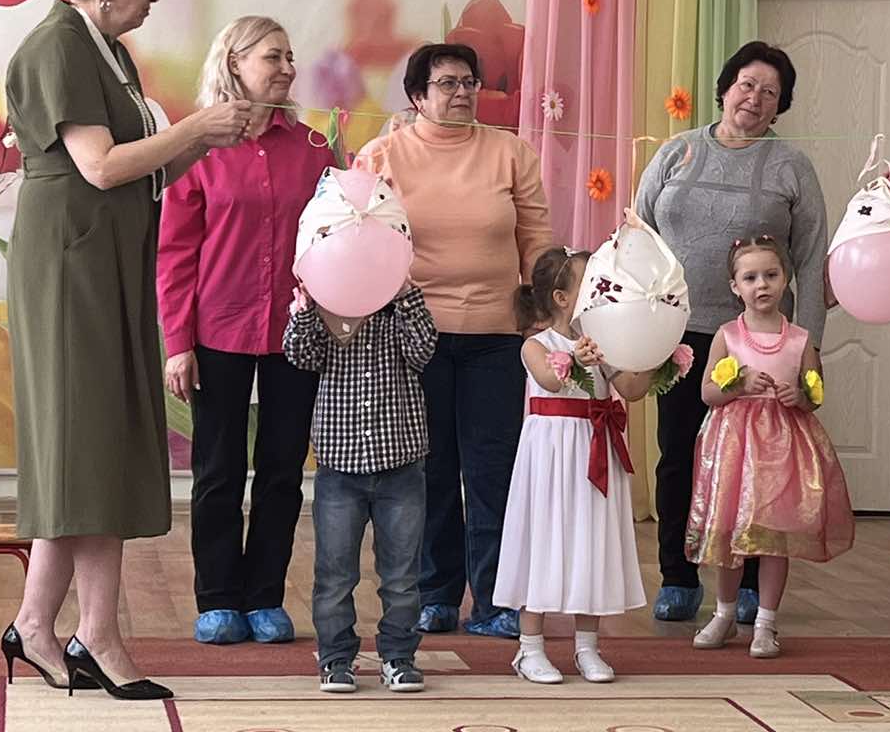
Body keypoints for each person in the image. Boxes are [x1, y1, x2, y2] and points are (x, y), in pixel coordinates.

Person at [0, 0, 251, 700]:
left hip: (103, 256)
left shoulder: (105, 48)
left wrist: (207, 139)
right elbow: (102, 167)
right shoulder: (58, 46)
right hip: (70, 263)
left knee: (94, 445)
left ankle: (47, 625)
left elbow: (144, 171)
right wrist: (195, 126)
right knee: (86, 440)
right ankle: (87, 633)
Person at [359, 43, 555, 638]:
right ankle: (435, 594)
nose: (463, 92)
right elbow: (359, 240)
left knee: (494, 471)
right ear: (417, 96)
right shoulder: (382, 155)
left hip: (497, 337)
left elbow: (537, 241)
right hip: (413, 337)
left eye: (469, 82)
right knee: (429, 471)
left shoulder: (510, 152)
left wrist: (548, 316)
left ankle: (495, 601)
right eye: (447, 83)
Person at [635, 41, 828, 626]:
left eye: (770, 92)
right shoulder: (676, 152)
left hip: (761, 339)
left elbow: (812, 259)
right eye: (747, 84)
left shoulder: (792, 166)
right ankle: (677, 576)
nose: (755, 98)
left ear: (780, 106)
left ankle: (747, 583)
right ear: (725, 88)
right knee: (679, 456)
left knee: (758, 466)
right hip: (677, 334)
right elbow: (637, 237)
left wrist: (809, 350)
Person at [157, 17, 333, 646]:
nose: (287, 68)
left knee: (283, 471)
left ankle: (264, 597)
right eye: (272, 57)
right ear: (234, 63)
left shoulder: (315, 149)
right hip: (217, 329)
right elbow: (175, 253)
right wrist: (178, 344)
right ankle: (217, 599)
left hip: (296, 333)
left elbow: (334, 240)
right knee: (218, 470)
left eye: (290, 57)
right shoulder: (197, 148)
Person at [687, 235, 854, 659]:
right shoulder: (727, 335)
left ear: (785, 279)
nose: (761, 285)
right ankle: (724, 613)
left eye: (771, 275)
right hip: (735, 447)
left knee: (775, 536)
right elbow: (707, 392)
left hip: (782, 447)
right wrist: (737, 385)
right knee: (729, 533)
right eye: (750, 278)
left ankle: (765, 621)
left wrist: (800, 396)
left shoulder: (800, 339)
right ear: (735, 286)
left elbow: (815, 393)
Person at [495, 248, 653, 684]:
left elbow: (632, 389)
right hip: (551, 455)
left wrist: (651, 350)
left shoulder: (605, 342)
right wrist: (578, 360)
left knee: (591, 538)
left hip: (593, 447)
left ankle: (587, 647)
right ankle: (530, 648)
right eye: (591, 283)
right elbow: (549, 379)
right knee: (543, 539)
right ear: (562, 298)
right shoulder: (535, 345)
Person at [283, 278, 438, 696]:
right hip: (340, 465)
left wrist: (405, 296)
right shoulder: (327, 305)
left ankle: (399, 656)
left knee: (402, 575)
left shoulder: (402, 308)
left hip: (400, 462)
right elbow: (299, 355)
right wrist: (307, 307)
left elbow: (424, 351)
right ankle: (336, 658)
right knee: (334, 574)